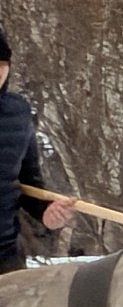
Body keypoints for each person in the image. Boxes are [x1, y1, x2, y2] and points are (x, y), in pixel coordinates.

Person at [1, 23, 75, 275]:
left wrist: (46, 212)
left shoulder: (18, 114)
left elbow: (27, 182)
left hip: (5, 258)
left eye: (0, 66)